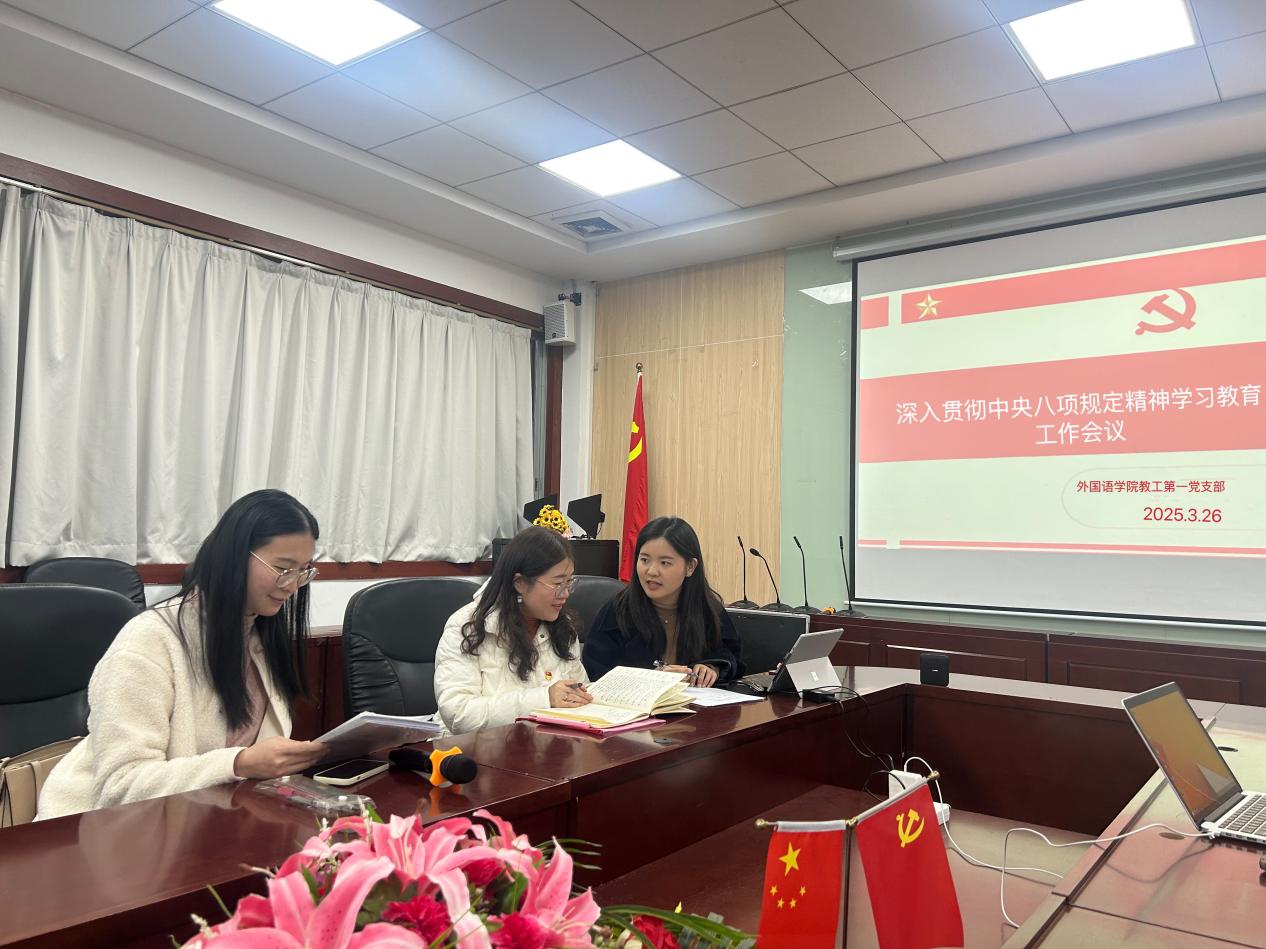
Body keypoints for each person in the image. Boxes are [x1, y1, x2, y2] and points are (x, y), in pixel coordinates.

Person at [37, 489, 327, 819]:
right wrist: (238, 764)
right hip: (100, 829)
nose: (292, 585)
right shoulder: (149, 640)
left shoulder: (261, 636)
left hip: (204, 823)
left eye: (303, 571)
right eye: (283, 568)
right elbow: (121, 785)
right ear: (234, 557)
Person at [434, 526, 591, 734]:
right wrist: (544, 699)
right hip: (474, 749)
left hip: (546, 747)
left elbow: (580, 694)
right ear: (520, 583)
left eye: (569, 582)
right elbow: (459, 714)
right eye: (558, 583)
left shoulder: (563, 627)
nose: (566, 593)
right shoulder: (468, 627)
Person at [582, 517, 743, 687]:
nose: (651, 571)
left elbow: (732, 656)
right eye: (645, 560)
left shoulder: (708, 609)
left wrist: (712, 667)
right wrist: (653, 679)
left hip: (695, 703)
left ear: (690, 567)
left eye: (665, 563)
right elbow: (596, 673)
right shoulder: (617, 611)